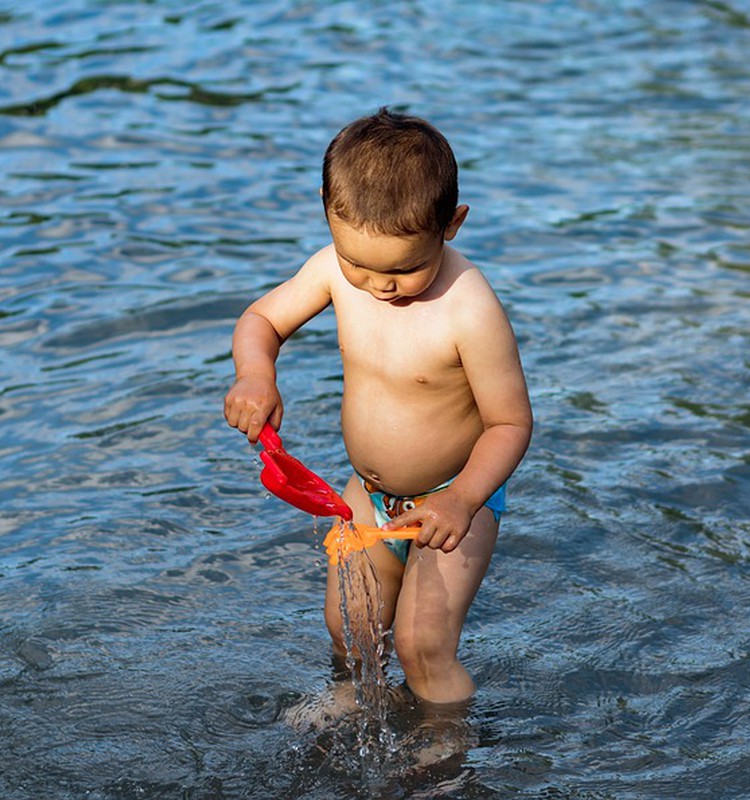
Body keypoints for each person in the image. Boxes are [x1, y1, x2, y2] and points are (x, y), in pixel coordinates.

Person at [224, 108, 532, 705]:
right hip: (366, 495)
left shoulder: (468, 307)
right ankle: (356, 704)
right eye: (358, 264)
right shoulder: (332, 272)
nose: (379, 286)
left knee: (423, 646)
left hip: (453, 501)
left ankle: (446, 744)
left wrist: (464, 498)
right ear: (328, 211)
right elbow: (261, 319)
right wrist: (256, 375)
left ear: (452, 224)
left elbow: (510, 421)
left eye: (405, 268)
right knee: (350, 632)